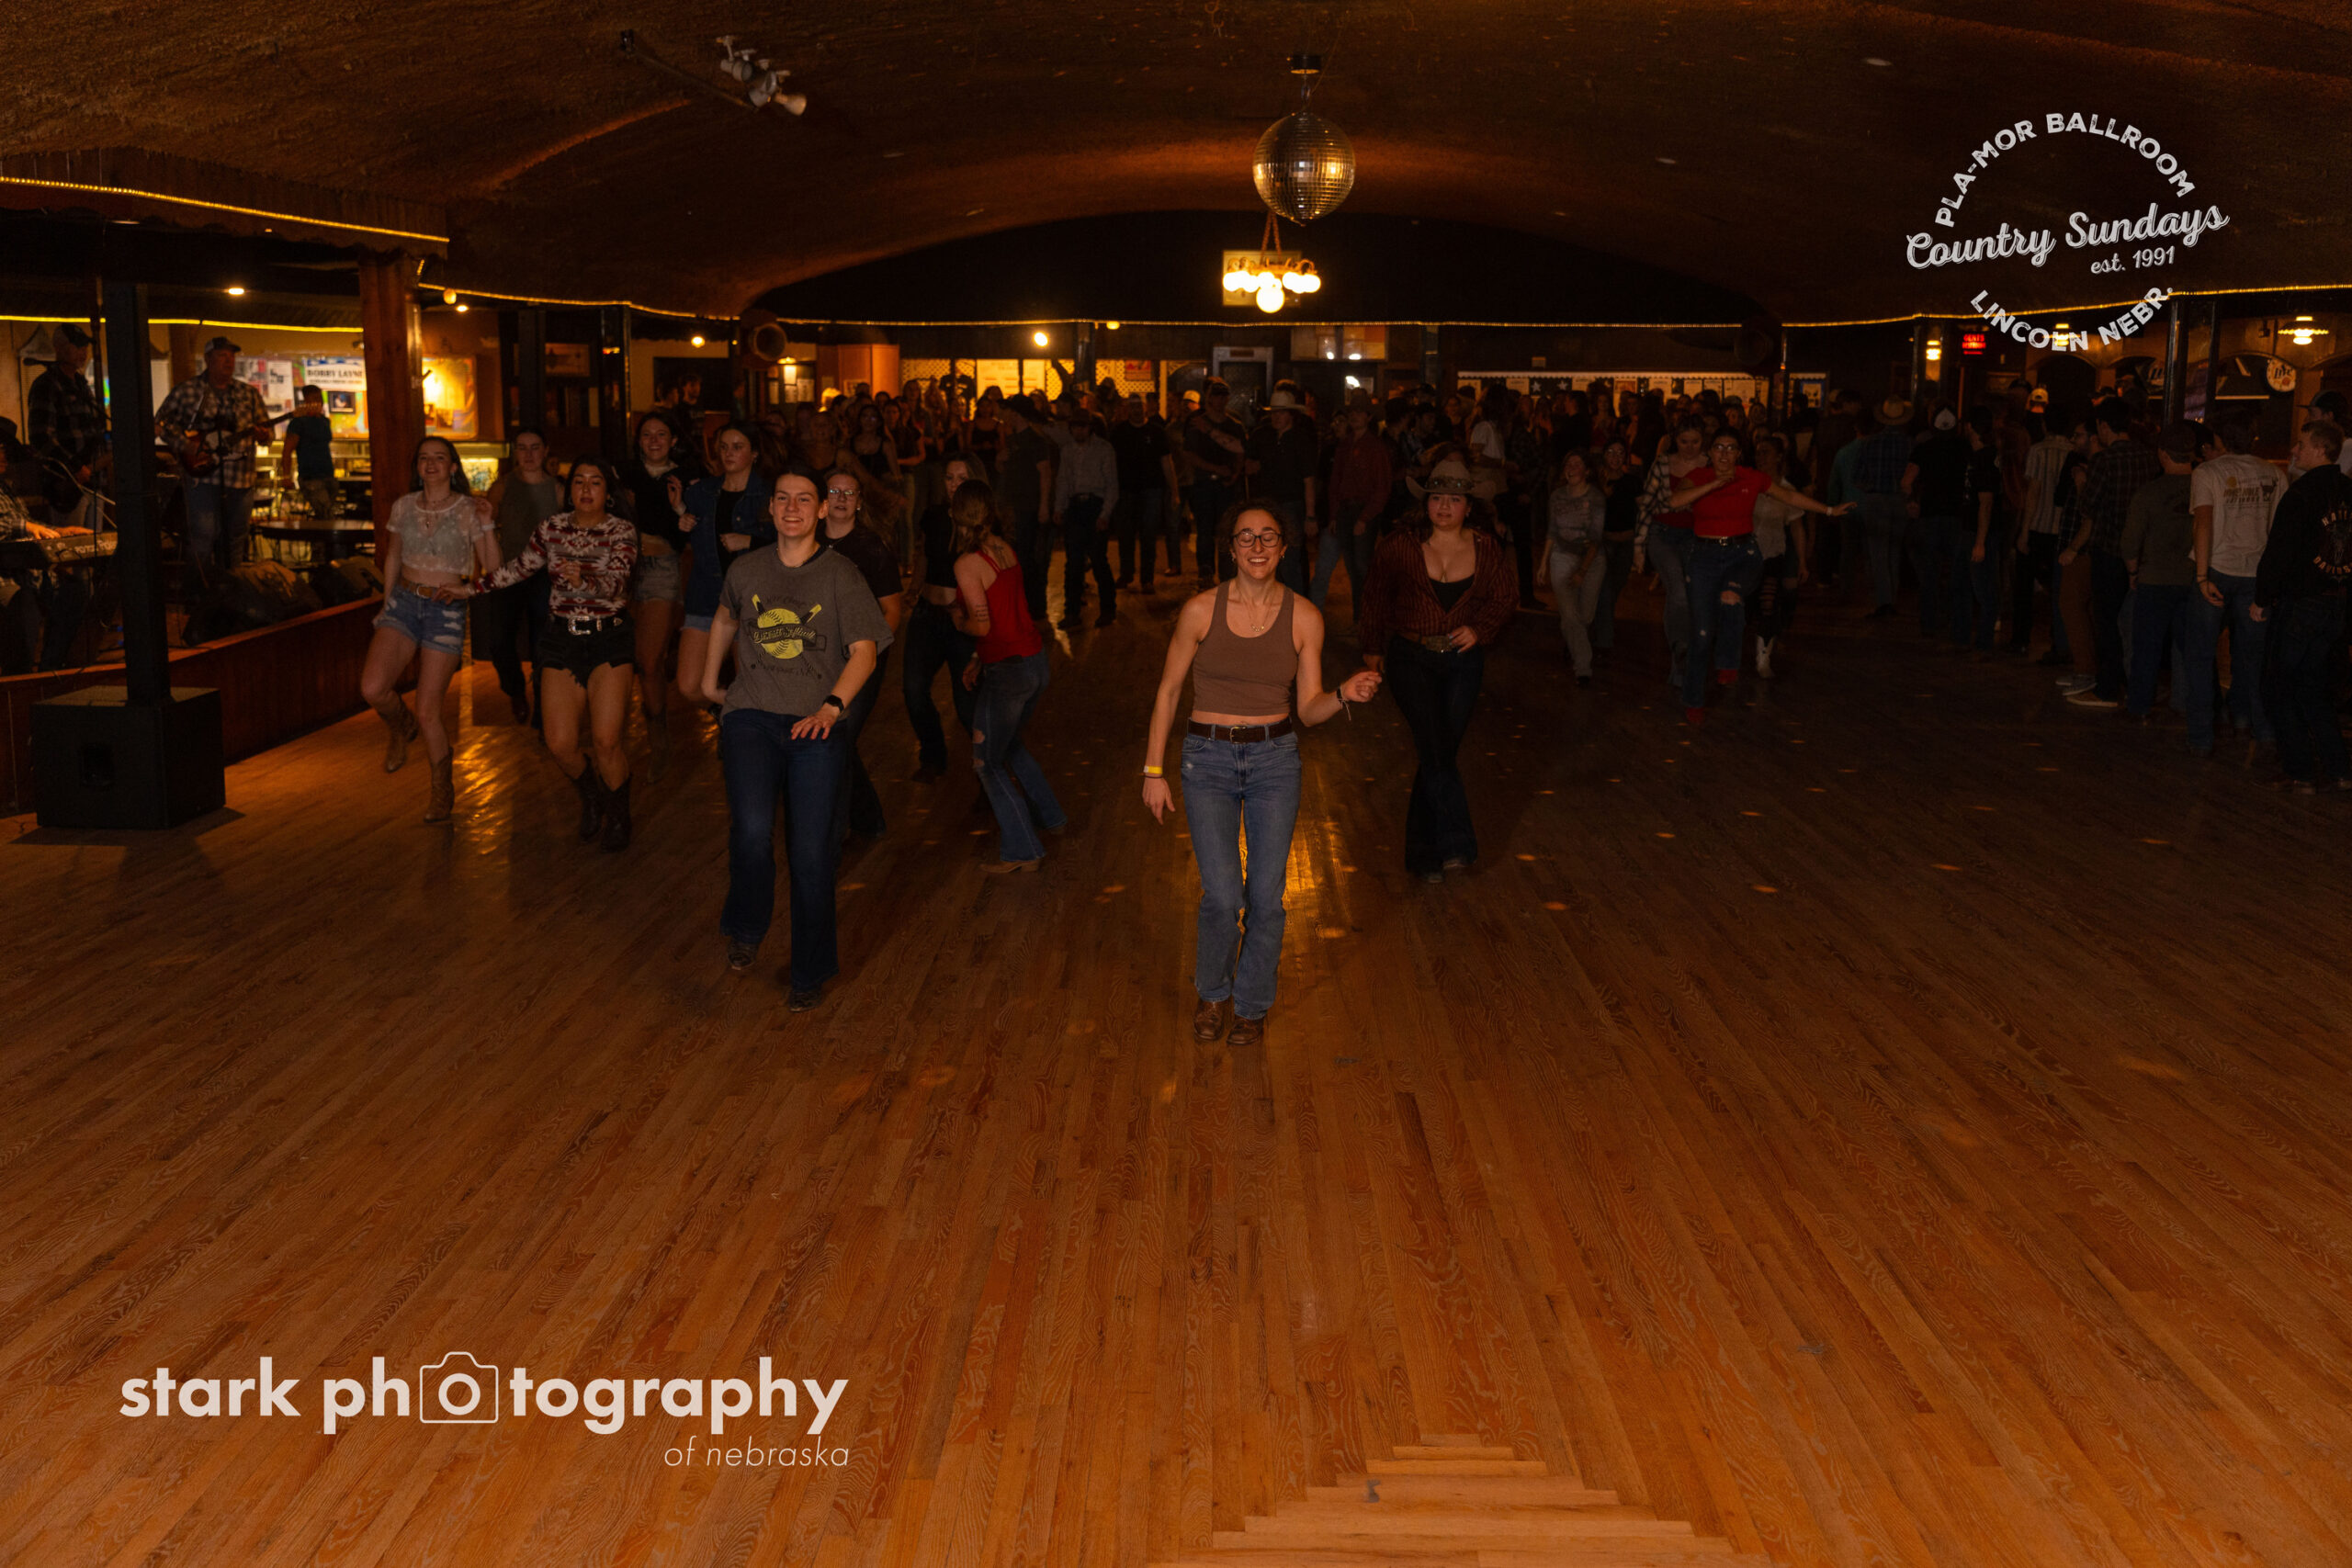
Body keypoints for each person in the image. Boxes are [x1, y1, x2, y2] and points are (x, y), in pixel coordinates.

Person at [1139, 502, 1381, 1045]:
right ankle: (1212, 992)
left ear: (1284, 547)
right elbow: (1169, 691)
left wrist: (1343, 693)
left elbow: (1309, 710)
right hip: (1207, 759)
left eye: (1267, 536)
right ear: (1231, 548)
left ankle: (1251, 1004)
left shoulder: (1305, 617)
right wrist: (1153, 770)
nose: (1256, 546)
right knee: (1224, 895)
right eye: (1245, 537)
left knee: (1267, 898)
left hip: (1275, 761)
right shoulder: (1201, 611)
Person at [701, 469, 888, 1008]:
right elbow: (724, 618)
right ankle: (747, 926)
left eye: (804, 499)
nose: (791, 508)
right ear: (771, 507)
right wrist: (709, 684)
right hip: (752, 717)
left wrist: (832, 708)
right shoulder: (747, 568)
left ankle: (809, 972)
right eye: (782, 498)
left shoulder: (842, 575)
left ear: (822, 510)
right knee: (751, 832)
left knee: (810, 854)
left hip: (816, 726)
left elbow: (865, 652)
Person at [464, 457, 641, 847]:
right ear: (568, 490)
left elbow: (618, 583)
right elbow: (519, 568)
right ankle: (591, 795)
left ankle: (618, 816)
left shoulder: (621, 530)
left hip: (608, 639)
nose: (586, 489)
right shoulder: (552, 528)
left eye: (595, 482)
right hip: (562, 639)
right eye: (579, 481)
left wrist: (585, 580)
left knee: (606, 741)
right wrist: (470, 588)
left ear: (608, 493)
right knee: (559, 744)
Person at [1358, 457, 1518, 882]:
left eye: (1454, 499)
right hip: (1411, 657)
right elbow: (1374, 595)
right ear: (1425, 503)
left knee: (1439, 752)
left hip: (1463, 663)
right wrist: (1371, 647)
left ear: (1469, 506)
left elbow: (1506, 597)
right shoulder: (1401, 545)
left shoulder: (1486, 547)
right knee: (1434, 744)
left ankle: (1423, 854)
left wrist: (1480, 629)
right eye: (1436, 498)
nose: (1444, 506)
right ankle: (1458, 843)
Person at [357, 436, 500, 824]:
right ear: (417, 466)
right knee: (373, 687)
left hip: (445, 608)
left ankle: (441, 788)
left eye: (440, 458)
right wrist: (386, 602)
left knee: (428, 711)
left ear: (453, 467)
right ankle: (399, 726)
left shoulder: (468, 508)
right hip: (404, 601)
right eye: (424, 458)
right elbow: (393, 556)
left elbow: (493, 567)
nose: (431, 463)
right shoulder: (403, 505)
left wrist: (487, 523)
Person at [1668, 434, 1849, 721]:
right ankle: (1694, 700)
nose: (1724, 454)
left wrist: (1829, 510)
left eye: (1731, 448)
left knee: (1731, 596)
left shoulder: (1751, 477)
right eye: (1719, 448)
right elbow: (1675, 501)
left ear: (1739, 454)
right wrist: (1714, 484)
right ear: (1710, 453)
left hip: (1742, 554)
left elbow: (1789, 496)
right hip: (1703, 556)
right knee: (1701, 635)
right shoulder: (1698, 476)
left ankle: (1728, 663)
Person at [948, 481, 1066, 872]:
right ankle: (1051, 817)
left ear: (957, 514)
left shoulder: (967, 563)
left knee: (986, 762)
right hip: (1034, 662)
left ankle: (1024, 851)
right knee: (1009, 743)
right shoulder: (1004, 548)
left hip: (1010, 673)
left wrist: (957, 618)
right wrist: (979, 659)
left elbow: (982, 625)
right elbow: (1008, 615)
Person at [2251, 421, 2352, 792]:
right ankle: (2339, 769)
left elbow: (2280, 551)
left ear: (2320, 450)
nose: (2294, 451)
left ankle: (2300, 771)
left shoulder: (2302, 494)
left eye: (2301, 444)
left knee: (2278, 684)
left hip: (2302, 603)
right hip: (2337, 602)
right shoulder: (2348, 490)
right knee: (2312, 685)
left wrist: (2262, 598)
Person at [818, 464, 903, 845]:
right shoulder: (807, 541)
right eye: (834, 491)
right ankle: (867, 818)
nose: (841, 498)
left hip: (861, 659)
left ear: (859, 502)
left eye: (848, 492)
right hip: (818, 659)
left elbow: (892, 611)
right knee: (834, 739)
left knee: (839, 737)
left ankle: (833, 836)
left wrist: (869, 657)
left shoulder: (872, 548)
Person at [2190, 408, 2284, 747]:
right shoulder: (2274, 474)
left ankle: (2202, 736)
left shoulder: (2208, 472)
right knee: (2253, 657)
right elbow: (2278, 532)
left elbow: (2203, 522)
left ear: (2220, 439)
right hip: (2256, 573)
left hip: (2216, 567)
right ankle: (2256, 725)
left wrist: (2202, 576)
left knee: (2202, 654)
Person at [155, 335, 272, 602]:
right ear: (208, 359)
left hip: (241, 479)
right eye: (222, 355)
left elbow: (267, 432)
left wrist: (264, 435)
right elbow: (160, 424)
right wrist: (188, 446)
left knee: (236, 540)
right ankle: (197, 600)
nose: (229, 360)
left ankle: (232, 599)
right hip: (202, 479)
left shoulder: (248, 394)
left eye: (232, 356)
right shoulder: (188, 391)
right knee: (203, 539)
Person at [2065, 398, 2164, 711]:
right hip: (2143, 550)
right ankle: (2133, 683)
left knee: (2107, 621)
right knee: (2136, 622)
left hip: (2109, 549)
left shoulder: (2104, 461)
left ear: (2104, 426)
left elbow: (2088, 506)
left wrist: (2081, 483)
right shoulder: (2148, 457)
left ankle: (2108, 688)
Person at [2120, 423, 2211, 753]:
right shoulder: (2204, 489)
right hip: (2194, 578)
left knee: (2146, 647)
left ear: (2162, 454)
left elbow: (2130, 541)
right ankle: (2187, 703)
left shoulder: (2149, 493)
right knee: (2191, 649)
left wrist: (2133, 570)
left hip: (2155, 579)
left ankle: (2140, 705)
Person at [673, 423, 773, 720]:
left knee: (751, 686)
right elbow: (681, 539)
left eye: (737, 447)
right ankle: (726, 716)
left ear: (754, 453)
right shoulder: (701, 492)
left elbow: (788, 542)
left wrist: (749, 541)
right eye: (724, 447)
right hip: (707, 596)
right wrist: (681, 519)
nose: (729, 453)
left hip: (752, 601)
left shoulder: (768, 494)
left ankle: (746, 731)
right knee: (688, 685)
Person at [619, 412, 695, 775]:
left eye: (661, 434)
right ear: (639, 441)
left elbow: (690, 532)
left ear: (673, 440)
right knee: (631, 660)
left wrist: (681, 513)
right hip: (621, 571)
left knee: (648, 660)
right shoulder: (624, 476)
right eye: (647, 434)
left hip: (662, 568)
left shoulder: (685, 478)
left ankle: (659, 740)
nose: (653, 440)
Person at [903, 453, 983, 782]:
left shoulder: (981, 523)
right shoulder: (935, 515)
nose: (953, 485)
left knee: (967, 705)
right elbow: (924, 553)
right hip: (927, 614)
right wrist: (914, 589)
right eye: (949, 478)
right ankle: (933, 755)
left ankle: (989, 774)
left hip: (963, 621)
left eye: (961, 478)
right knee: (913, 690)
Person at [477, 428, 564, 724]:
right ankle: (515, 690)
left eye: (534, 447)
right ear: (515, 452)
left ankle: (542, 709)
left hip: (545, 574)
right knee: (499, 641)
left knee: (542, 643)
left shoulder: (557, 490)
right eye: (522, 448)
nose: (528, 454)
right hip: (509, 571)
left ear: (545, 450)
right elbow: (485, 525)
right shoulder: (503, 486)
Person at [1636, 418, 1710, 685]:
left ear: (1703, 441)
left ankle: (1679, 663)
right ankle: (1681, 648)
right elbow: (1647, 504)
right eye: (1683, 441)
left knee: (1685, 596)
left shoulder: (1711, 465)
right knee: (1678, 592)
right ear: (1674, 440)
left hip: (1695, 537)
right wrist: (1639, 546)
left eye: (1695, 442)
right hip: (1663, 534)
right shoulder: (1662, 464)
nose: (1689, 448)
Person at [28, 324, 107, 530]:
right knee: (73, 542)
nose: (83, 352)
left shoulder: (81, 384)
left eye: (85, 347)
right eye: (77, 346)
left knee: (96, 543)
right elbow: (40, 437)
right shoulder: (47, 384)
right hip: (67, 486)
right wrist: (74, 467)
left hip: (94, 482)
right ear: (59, 348)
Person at [1319, 399, 1394, 619]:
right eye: (1352, 412)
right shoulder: (1345, 445)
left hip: (1362, 510)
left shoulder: (1375, 447)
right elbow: (1335, 482)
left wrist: (1365, 517)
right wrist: (1334, 515)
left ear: (1368, 417)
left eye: (1360, 412)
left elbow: (1382, 487)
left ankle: (1369, 617)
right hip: (1346, 510)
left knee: (1362, 566)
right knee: (1353, 567)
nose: (1354, 416)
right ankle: (1360, 617)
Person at [1539, 448, 1607, 683]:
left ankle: (1573, 640)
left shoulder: (1596, 498)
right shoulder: (1557, 496)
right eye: (1569, 464)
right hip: (1562, 555)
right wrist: (1543, 562)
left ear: (1587, 471)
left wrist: (1582, 571)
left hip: (1591, 559)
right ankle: (1583, 668)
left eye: (1577, 464)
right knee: (1570, 615)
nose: (1572, 468)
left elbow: (1596, 539)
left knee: (1584, 616)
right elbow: (1552, 530)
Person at [2010, 412, 2075, 660]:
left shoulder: (2038, 450)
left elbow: (2033, 492)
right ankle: (2059, 642)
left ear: (2045, 425)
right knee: (2059, 589)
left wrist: (2024, 530)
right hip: (2064, 529)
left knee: (2024, 586)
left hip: (2038, 525)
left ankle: (2020, 639)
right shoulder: (2072, 451)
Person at [1746, 433, 1811, 679]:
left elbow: (1797, 527)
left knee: (1768, 602)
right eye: (1758, 452)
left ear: (1778, 457)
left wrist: (1802, 561)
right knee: (1744, 605)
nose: (1761, 457)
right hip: (1744, 555)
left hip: (1772, 554)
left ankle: (1763, 658)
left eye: (1766, 453)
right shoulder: (1747, 484)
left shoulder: (1786, 490)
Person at [1050, 404, 1119, 628]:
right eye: (1075, 427)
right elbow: (1063, 480)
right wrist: (1059, 508)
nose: (1079, 431)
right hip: (1075, 506)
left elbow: (1111, 484)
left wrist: (1105, 513)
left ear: (1090, 428)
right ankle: (1071, 612)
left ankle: (1107, 609)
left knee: (1098, 560)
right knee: (1073, 563)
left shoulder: (1103, 449)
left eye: (1083, 427)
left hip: (1095, 504)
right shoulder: (1068, 450)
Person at [1848, 399, 1917, 618]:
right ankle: (1892, 599)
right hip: (1900, 500)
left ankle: (1883, 601)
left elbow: (1857, 477)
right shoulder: (1910, 444)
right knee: (1894, 552)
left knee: (1878, 553)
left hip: (1876, 500)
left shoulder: (1869, 443)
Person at [1247, 387, 1319, 593]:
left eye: (1281, 412)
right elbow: (1249, 465)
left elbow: (1309, 481)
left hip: (1291, 507)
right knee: (1270, 559)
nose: (1276, 417)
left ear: (1291, 415)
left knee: (1290, 561)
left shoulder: (1300, 440)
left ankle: (1294, 605)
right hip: (1267, 507)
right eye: (1274, 412)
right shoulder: (1264, 437)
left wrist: (1310, 516)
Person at [1908, 403, 1971, 637]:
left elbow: (1906, 481)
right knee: (1957, 572)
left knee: (1929, 573)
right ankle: (1957, 623)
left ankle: (1929, 622)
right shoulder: (1965, 448)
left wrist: (1912, 500)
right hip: (1957, 516)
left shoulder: (1924, 449)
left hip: (1930, 515)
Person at [1182, 378, 1250, 586]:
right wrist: (1215, 469)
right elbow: (1189, 455)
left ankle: (1226, 574)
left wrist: (1235, 475)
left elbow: (1241, 452)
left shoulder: (1234, 425)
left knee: (1226, 530)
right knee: (1204, 530)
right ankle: (1206, 572)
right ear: (1209, 398)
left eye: (1223, 396)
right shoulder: (1196, 424)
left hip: (1226, 486)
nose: (1220, 400)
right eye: (1216, 396)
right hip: (1204, 483)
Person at [997, 395, 1058, 622]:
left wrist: (1043, 506)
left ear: (1016, 414)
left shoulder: (1035, 440)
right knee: (1018, 556)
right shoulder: (1014, 440)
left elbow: (1045, 472)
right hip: (1015, 505)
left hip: (1029, 506)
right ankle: (1023, 605)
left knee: (1030, 558)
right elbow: (1007, 469)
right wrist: (1000, 460)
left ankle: (1035, 606)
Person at [1108, 395, 1178, 592]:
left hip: (1151, 490)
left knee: (1148, 535)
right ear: (1128, 409)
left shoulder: (1157, 432)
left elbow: (1167, 462)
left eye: (1139, 406)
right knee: (1125, 535)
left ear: (1145, 408)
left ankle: (1147, 579)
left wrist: (1174, 491)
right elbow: (1110, 463)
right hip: (1126, 490)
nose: (1137, 410)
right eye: (1133, 406)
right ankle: (1127, 573)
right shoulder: (1119, 432)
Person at [1953, 410, 2005, 653]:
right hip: (1970, 530)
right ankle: (1963, 636)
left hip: (1978, 533)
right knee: (1963, 584)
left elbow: (1986, 503)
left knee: (1983, 588)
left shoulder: (1985, 459)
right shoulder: (1979, 456)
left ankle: (1983, 640)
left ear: (1970, 427)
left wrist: (1980, 541)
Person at [1592, 437, 1643, 660]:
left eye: (1620, 452)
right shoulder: (1596, 482)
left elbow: (1642, 509)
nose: (1615, 457)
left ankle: (1598, 628)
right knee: (1604, 590)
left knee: (1614, 589)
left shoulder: (1632, 481)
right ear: (1604, 455)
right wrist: (1602, 494)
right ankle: (1604, 642)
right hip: (1604, 542)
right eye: (1611, 452)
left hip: (1626, 543)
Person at [277, 387, 342, 549]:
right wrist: (286, 476)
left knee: (324, 517)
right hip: (311, 476)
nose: (317, 402)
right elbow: (287, 450)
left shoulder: (324, 421)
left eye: (319, 398)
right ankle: (327, 553)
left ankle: (320, 551)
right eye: (313, 399)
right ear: (306, 401)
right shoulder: (298, 423)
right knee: (326, 515)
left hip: (328, 474)